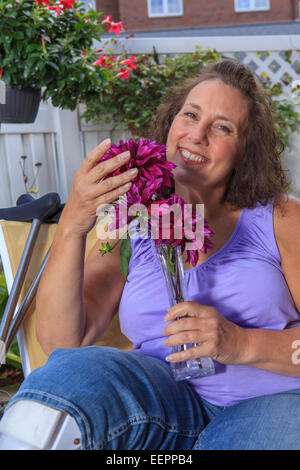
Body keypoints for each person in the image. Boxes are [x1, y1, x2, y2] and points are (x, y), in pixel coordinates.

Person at [4, 59, 300, 450]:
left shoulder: (279, 217)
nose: (196, 134)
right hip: (160, 402)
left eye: (222, 127)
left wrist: (240, 343)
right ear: (170, 124)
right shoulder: (129, 222)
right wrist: (75, 223)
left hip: (271, 404)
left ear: (246, 151)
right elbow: (63, 341)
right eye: (190, 115)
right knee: (63, 384)